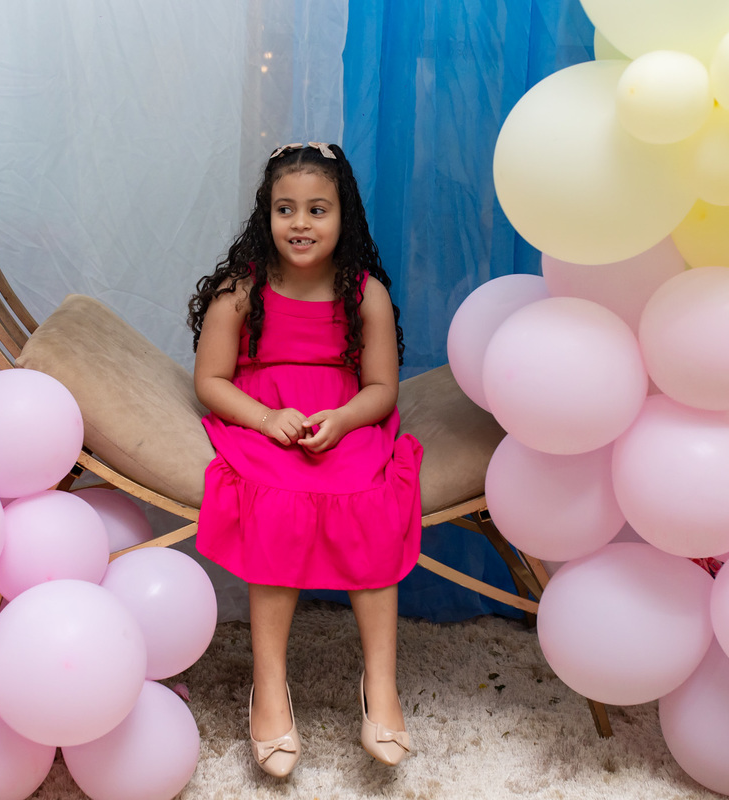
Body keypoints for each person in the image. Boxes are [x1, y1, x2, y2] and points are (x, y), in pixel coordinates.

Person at [187, 141, 423, 777]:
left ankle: (381, 684)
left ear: (344, 216)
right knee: (277, 507)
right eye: (285, 209)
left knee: (372, 501)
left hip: (344, 419)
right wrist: (266, 419)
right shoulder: (241, 291)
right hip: (263, 420)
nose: (300, 223)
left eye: (317, 209)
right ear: (265, 214)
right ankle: (269, 687)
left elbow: (382, 389)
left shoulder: (365, 294)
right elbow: (210, 380)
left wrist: (343, 419)